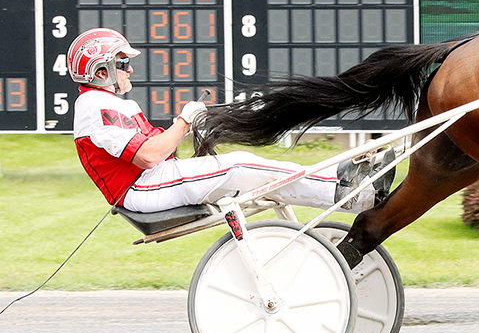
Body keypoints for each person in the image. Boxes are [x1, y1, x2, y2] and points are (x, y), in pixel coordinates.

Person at [68, 28, 393, 214]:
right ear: (100, 70)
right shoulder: (95, 105)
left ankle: (340, 189)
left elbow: (157, 151)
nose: (129, 69)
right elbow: (150, 155)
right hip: (141, 188)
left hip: (151, 181)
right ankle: (342, 189)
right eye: (122, 63)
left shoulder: (108, 104)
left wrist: (188, 126)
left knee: (253, 173)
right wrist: (184, 121)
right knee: (239, 165)